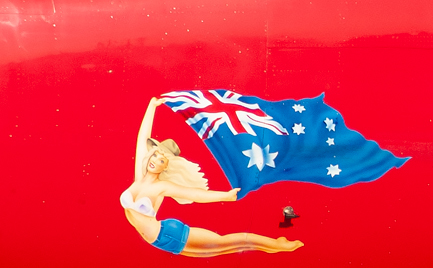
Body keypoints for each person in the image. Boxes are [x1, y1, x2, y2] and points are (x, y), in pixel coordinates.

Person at [121, 102, 301, 256]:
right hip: (158, 240)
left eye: (161, 160)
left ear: (165, 166)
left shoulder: (162, 186)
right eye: (154, 156)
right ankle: (275, 245)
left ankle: (278, 244)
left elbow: (196, 194)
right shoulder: (140, 177)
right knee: (226, 248)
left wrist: (225, 196)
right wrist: (152, 107)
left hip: (167, 235)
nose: (154, 161)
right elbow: (142, 138)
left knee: (227, 244)